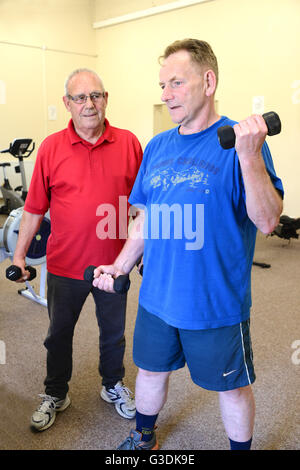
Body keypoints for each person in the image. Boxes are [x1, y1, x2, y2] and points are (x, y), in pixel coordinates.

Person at [92, 39, 284, 450]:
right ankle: (143, 436)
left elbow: (268, 221)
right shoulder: (158, 146)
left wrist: (249, 156)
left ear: (208, 81)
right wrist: (121, 265)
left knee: (231, 389)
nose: (165, 95)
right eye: (162, 85)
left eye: (176, 83)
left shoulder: (241, 143)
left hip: (215, 304)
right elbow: (147, 218)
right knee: (149, 371)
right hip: (157, 297)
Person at [12, 68, 143, 431]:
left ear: (106, 99)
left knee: (113, 333)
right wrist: (20, 256)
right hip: (65, 265)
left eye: (96, 96)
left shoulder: (130, 143)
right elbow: (35, 208)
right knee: (59, 334)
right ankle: (56, 392)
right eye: (80, 98)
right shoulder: (52, 147)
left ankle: (112, 385)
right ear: (67, 103)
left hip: (114, 266)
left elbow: (142, 208)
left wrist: (142, 255)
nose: (89, 104)